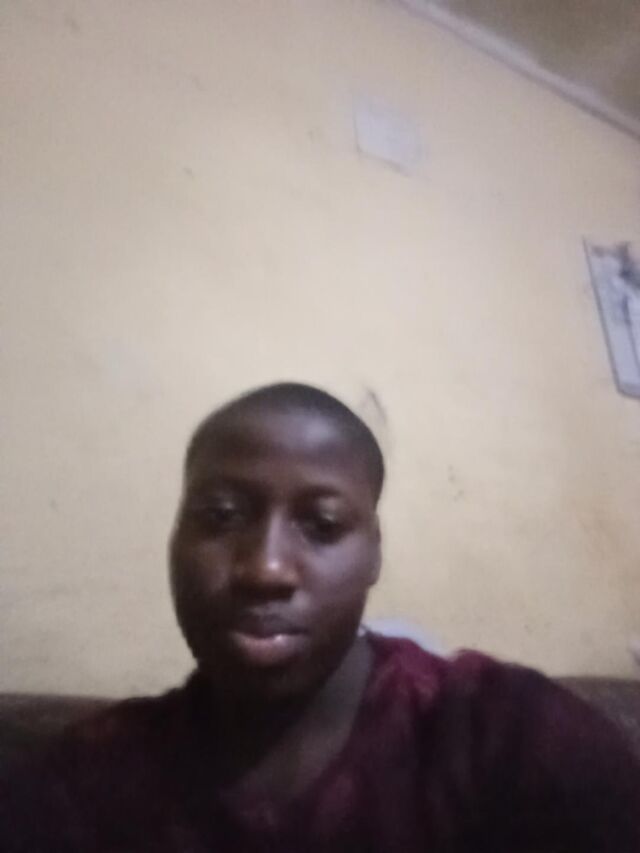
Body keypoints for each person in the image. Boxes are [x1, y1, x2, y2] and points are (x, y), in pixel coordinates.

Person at [2, 382, 640, 852]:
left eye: (323, 524)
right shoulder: (88, 780)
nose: (265, 569)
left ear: (374, 554)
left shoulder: (506, 737)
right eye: (221, 516)